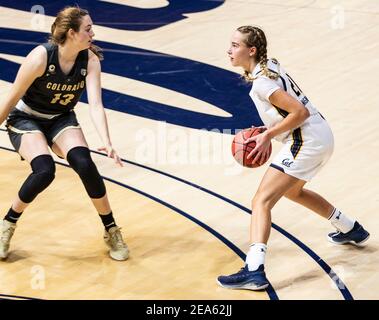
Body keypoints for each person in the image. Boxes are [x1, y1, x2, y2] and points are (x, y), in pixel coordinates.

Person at [217, 26, 369, 290]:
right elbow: (290, 110)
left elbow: (299, 112)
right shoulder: (269, 65)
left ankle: (254, 270)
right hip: (320, 136)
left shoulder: (262, 83)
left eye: (235, 45)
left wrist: (268, 135)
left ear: (251, 51)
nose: (229, 50)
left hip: (306, 140)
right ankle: (349, 228)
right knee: (293, 191)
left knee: (261, 200)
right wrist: (272, 128)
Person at [0, 6, 129, 261]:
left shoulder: (89, 60)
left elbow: (96, 105)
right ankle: (7, 224)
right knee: (45, 171)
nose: (93, 32)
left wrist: (107, 141)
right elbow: (12, 96)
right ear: (72, 33)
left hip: (60, 118)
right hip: (26, 118)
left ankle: (111, 229)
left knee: (84, 163)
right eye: (88, 29)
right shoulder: (40, 57)